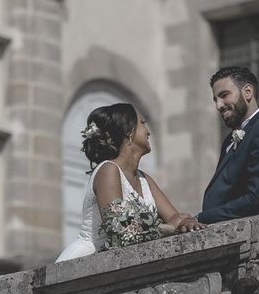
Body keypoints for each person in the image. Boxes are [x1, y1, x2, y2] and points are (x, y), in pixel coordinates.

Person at [56, 103, 202, 262]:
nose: (148, 131)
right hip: (88, 259)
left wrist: (186, 222)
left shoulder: (144, 179)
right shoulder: (108, 170)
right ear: (128, 132)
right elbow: (119, 230)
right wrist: (167, 228)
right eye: (142, 123)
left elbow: (174, 217)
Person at [185, 66, 259, 226]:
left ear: (247, 92)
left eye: (224, 95)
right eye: (215, 100)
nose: (219, 105)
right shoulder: (229, 140)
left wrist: (203, 218)